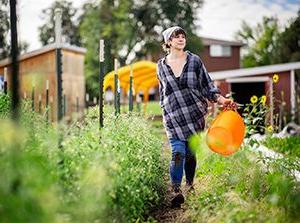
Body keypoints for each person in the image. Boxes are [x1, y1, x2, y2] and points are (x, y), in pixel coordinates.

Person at [156, 26, 236, 208]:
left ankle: (190, 184)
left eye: (183, 36)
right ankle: (176, 191)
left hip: (194, 115)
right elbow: (163, 92)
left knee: (190, 155)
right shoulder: (160, 66)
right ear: (168, 42)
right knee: (178, 153)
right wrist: (163, 111)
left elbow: (207, 85)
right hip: (173, 117)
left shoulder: (194, 61)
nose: (181, 39)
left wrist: (221, 99)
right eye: (176, 36)